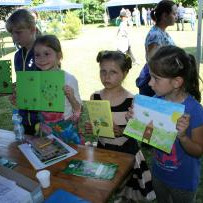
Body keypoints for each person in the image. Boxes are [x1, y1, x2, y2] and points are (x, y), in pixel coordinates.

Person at [128, 45, 203, 202]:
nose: (149, 83)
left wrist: (183, 137)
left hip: (183, 181)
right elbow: (148, 141)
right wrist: (136, 124)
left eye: (156, 78)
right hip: (159, 175)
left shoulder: (195, 111)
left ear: (176, 82)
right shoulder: (155, 102)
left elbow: (198, 151)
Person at [86, 50, 156, 201]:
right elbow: (98, 125)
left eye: (113, 72)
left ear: (125, 73)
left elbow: (141, 131)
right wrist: (92, 128)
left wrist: (122, 131)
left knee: (125, 187)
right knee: (106, 184)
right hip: (103, 148)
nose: (106, 76)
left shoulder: (132, 100)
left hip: (126, 152)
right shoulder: (95, 97)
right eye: (103, 71)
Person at [33, 35, 82, 139]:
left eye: (47, 54)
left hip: (65, 129)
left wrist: (71, 97)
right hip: (45, 129)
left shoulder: (69, 79)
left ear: (59, 56)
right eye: (37, 55)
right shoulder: (35, 80)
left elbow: (78, 109)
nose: (42, 59)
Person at [6, 9, 40, 135]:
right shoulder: (18, 56)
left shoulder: (44, 53)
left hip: (43, 120)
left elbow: (51, 84)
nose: (14, 37)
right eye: (12, 33)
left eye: (18, 33)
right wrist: (15, 91)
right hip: (24, 119)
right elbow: (23, 82)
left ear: (32, 29)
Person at [136, 0, 177, 97]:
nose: (176, 16)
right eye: (174, 13)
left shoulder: (161, 32)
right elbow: (152, 62)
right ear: (164, 15)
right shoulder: (155, 35)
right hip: (155, 84)